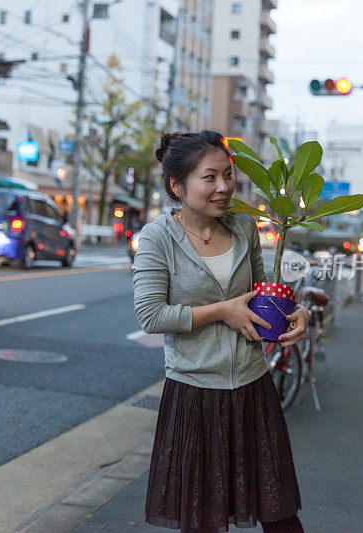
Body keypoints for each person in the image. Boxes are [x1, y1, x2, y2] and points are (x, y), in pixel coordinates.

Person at [132, 130, 310, 532]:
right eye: (210, 177)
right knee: (203, 522)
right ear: (178, 185)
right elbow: (150, 315)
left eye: (228, 176)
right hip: (195, 395)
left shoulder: (244, 228)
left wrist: (297, 313)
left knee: (281, 517)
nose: (225, 187)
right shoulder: (158, 238)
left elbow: (263, 293)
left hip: (253, 388)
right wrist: (222, 312)